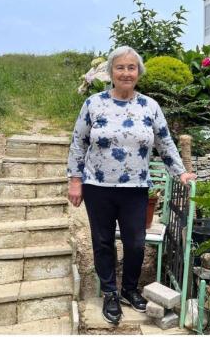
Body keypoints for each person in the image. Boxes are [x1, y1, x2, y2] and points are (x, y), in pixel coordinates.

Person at [67, 46, 196, 324]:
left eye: (131, 68)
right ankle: (110, 293)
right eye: (120, 67)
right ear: (111, 72)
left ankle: (129, 289)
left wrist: (181, 172)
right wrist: (75, 180)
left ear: (138, 73)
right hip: (97, 186)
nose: (126, 73)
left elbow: (165, 142)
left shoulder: (149, 106)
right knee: (102, 242)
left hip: (135, 188)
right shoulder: (93, 103)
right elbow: (79, 142)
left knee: (136, 244)